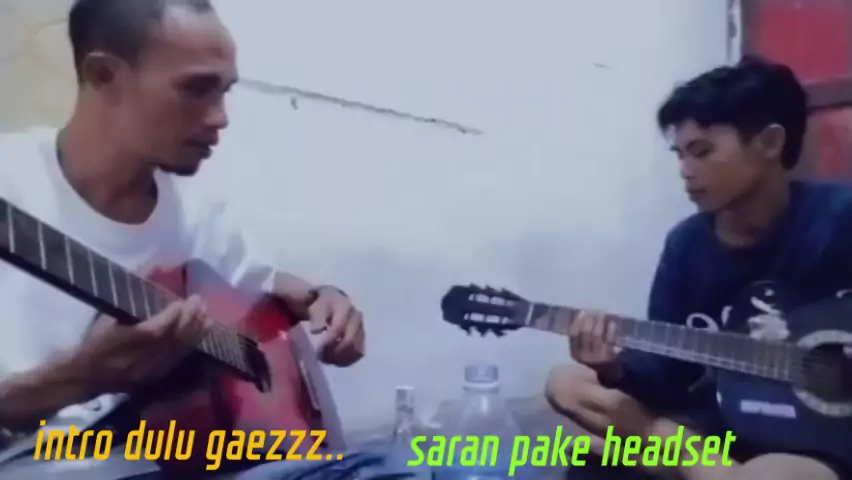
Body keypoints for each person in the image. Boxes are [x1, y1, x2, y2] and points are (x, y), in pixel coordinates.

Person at [0, 0, 382, 477]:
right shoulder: (12, 187)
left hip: (188, 463)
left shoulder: (198, 212)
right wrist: (80, 378)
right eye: (197, 89)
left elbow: (263, 291)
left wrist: (326, 297)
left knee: (427, 460)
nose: (221, 118)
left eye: (224, 91)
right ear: (103, 76)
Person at [545, 56, 852, 480]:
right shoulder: (686, 244)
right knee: (567, 384)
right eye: (680, 155)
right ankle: (686, 454)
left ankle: (672, 450)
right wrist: (612, 366)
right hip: (724, 423)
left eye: (702, 152)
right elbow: (668, 371)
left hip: (821, 440)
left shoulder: (840, 217)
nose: (685, 172)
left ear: (769, 142)